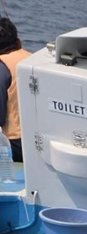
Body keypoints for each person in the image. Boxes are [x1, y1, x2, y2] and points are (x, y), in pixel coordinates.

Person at [0, 17, 30, 163]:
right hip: (36, 140)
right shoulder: (32, 59)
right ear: (17, 41)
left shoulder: (2, 67)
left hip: (14, 144)